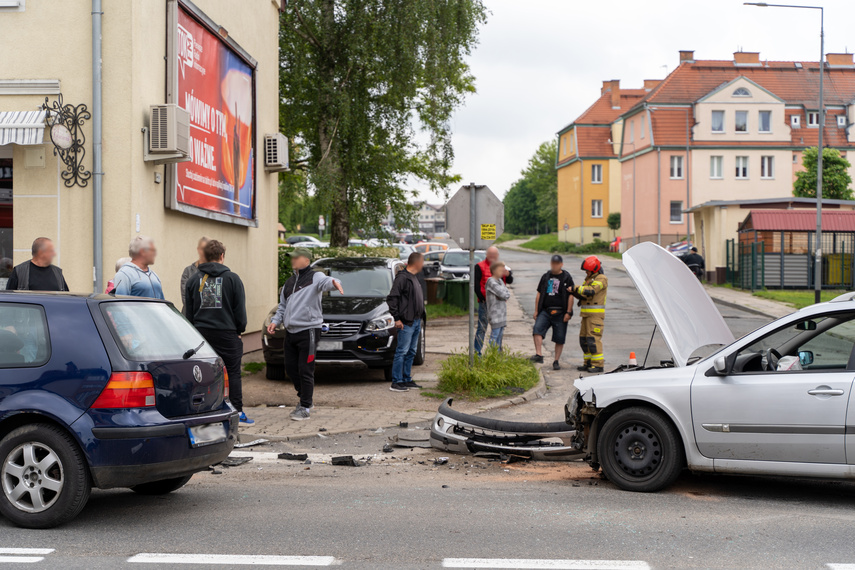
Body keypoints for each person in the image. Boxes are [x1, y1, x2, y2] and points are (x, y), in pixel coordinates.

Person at [266, 247, 343, 421]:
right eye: (291, 258)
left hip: (308, 330)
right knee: (291, 368)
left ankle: (305, 406)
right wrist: (275, 321)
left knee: (305, 369)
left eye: (296, 257)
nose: (292, 260)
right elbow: (283, 307)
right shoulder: (289, 282)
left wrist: (335, 283)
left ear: (306, 260)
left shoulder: (315, 277)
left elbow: (327, 281)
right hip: (291, 331)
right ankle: (305, 398)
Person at [185, 240, 252, 424]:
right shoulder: (233, 279)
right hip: (228, 333)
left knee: (202, 374)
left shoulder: (193, 280)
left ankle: (202, 412)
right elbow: (240, 310)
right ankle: (237, 411)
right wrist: (240, 330)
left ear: (204, 256)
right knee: (232, 372)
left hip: (201, 335)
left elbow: (188, 313)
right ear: (222, 256)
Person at [387, 252, 426, 392]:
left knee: (411, 351)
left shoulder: (413, 278)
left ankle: (406, 379)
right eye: (422, 261)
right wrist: (397, 318)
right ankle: (396, 382)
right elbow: (392, 299)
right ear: (417, 263)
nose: (423, 264)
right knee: (402, 351)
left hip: (415, 321)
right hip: (406, 322)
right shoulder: (402, 278)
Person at [531, 254, 574, 370]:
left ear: (561, 264)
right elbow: (539, 294)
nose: (554, 265)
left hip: (561, 312)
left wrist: (568, 312)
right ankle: (539, 354)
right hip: (545, 310)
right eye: (553, 263)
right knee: (537, 330)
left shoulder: (566, 277)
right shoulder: (545, 277)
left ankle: (556, 361)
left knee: (559, 337)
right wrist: (536, 311)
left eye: (557, 263)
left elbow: (571, 295)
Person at [473, 245, 513, 354]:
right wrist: (483, 299)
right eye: (490, 254)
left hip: (499, 304)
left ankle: (497, 354)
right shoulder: (479, 266)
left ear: (497, 255)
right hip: (484, 303)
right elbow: (476, 286)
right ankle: (477, 353)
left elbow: (509, 280)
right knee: (482, 328)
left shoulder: (502, 267)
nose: (492, 256)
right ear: (486, 255)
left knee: (498, 330)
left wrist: (508, 274)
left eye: (494, 254)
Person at [573, 255, 608, 374]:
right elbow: (584, 294)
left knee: (593, 339)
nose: (586, 272)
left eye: (587, 270)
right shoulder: (589, 279)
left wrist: (576, 288)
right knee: (584, 340)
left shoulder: (601, 279)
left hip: (595, 316)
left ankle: (598, 364)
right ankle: (587, 362)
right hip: (586, 315)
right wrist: (574, 292)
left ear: (594, 269)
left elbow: (591, 291)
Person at [5, 237, 69, 291]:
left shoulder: (58, 273)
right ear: (41, 252)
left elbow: (66, 299)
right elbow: (9, 299)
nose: (54, 254)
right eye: (51, 251)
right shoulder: (19, 272)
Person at [485, 261, 510, 352]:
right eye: (500, 270)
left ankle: (498, 356)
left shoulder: (500, 281)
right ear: (494, 270)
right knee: (494, 336)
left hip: (502, 314)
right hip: (495, 314)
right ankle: (492, 355)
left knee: (500, 337)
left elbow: (507, 293)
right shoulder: (491, 281)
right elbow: (503, 294)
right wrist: (503, 296)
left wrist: (503, 295)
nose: (502, 272)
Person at [180, 236, 210, 314]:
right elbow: (186, 298)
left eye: (207, 249)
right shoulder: (188, 271)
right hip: (191, 316)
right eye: (203, 248)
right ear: (198, 249)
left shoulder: (215, 272)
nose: (205, 252)